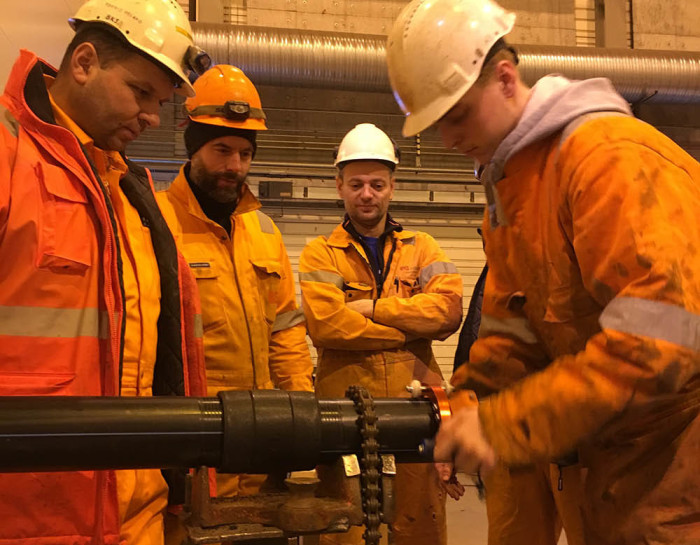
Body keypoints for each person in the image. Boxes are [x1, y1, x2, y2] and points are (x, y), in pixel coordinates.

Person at [387, 0, 700, 544]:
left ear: (506, 78)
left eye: (458, 115)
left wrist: (505, 423)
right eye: (438, 124)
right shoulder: (515, 190)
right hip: (621, 453)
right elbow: (513, 330)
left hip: (678, 452)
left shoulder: (605, 158)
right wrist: (468, 403)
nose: (448, 140)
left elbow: (662, 339)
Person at [0, 1, 210, 543]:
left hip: (138, 512)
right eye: (140, 92)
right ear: (85, 63)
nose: (152, 117)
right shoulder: (7, 154)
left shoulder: (135, 195)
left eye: (159, 102)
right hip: (31, 517)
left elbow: (172, 356)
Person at [155, 64, 313, 514]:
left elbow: (286, 330)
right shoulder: (155, 222)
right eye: (221, 150)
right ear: (193, 147)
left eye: (245, 153)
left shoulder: (264, 231)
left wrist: (302, 414)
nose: (234, 166)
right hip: (193, 443)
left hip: (264, 442)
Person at [298, 123, 463, 545]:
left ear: (392, 186)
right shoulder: (321, 253)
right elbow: (328, 326)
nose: (366, 194)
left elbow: (447, 314)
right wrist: (406, 333)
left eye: (377, 184)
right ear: (339, 186)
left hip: (416, 413)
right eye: (356, 184)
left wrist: (374, 309)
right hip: (344, 415)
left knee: (420, 526)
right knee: (344, 529)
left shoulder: (423, 248)